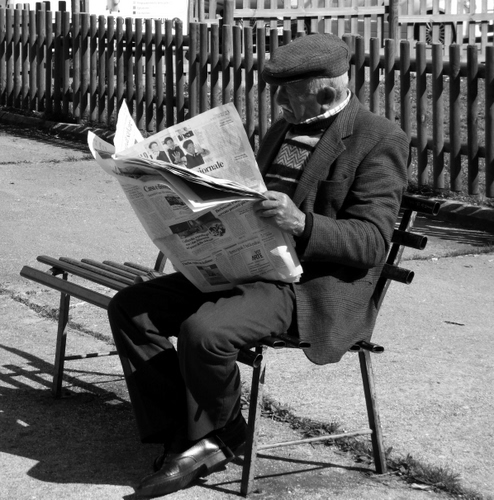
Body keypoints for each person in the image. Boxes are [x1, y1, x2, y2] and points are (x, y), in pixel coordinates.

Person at [107, 33, 409, 498]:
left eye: (289, 91)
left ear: (326, 92)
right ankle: (189, 434)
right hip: (247, 263)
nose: (278, 100)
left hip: (305, 285)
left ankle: (218, 434)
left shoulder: (377, 138)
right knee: (132, 308)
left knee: (205, 333)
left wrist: (302, 222)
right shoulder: (284, 128)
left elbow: (371, 241)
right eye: (277, 90)